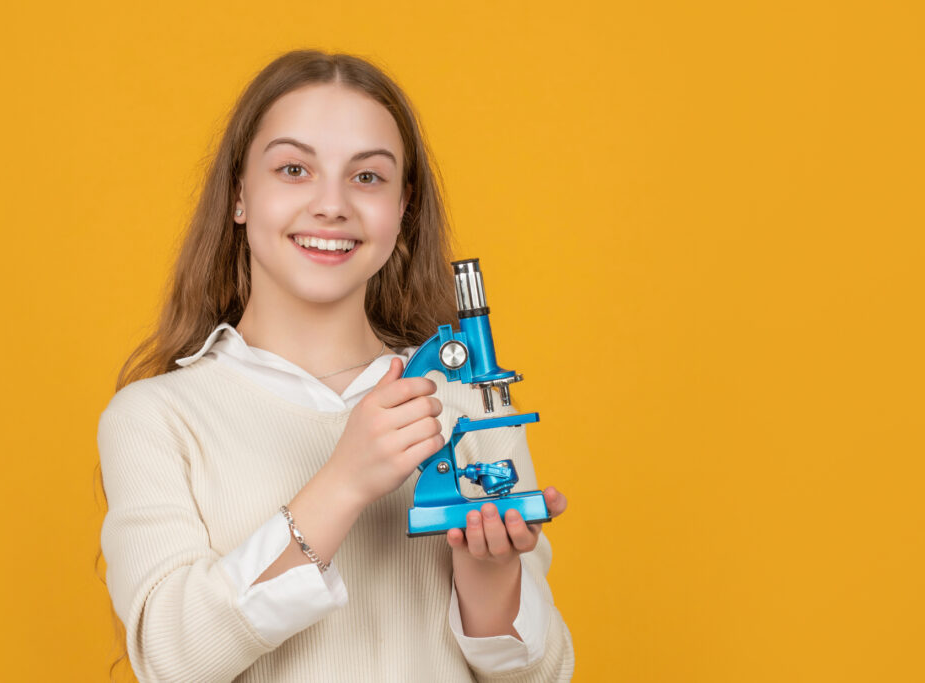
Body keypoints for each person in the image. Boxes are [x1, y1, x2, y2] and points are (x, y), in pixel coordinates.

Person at [95, 49, 575, 682]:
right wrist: (345, 481)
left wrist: (490, 573)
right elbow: (171, 659)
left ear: (403, 210)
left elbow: (540, 675)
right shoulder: (157, 419)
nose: (332, 205)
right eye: (294, 169)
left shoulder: (464, 402)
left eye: (367, 177)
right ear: (239, 196)